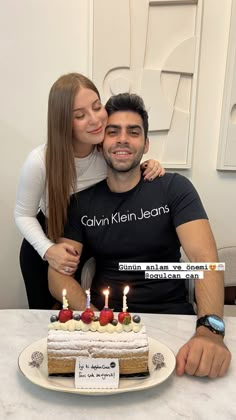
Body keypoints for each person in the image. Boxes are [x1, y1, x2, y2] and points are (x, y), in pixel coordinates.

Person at [48, 92, 231, 378]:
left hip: (172, 321)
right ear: (100, 144)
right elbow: (58, 273)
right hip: (103, 324)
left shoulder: (174, 188)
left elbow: (203, 259)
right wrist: (94, 314)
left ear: (145, 144)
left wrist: (210, 331)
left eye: (133, 132)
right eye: (113, 132)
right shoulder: (81, 203)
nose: (122, 139)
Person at [14, 73, 165, 309]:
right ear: (63, 121)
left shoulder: (104, 153)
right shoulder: (40, 161)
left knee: (82, 317)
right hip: (44, 241)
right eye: (80, 115)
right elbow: (23, 214)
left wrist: (149, 164)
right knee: (47, 321)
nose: (95, 120)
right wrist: (48, 250)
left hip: (84, 239)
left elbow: (126, 165)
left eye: (97, 107)